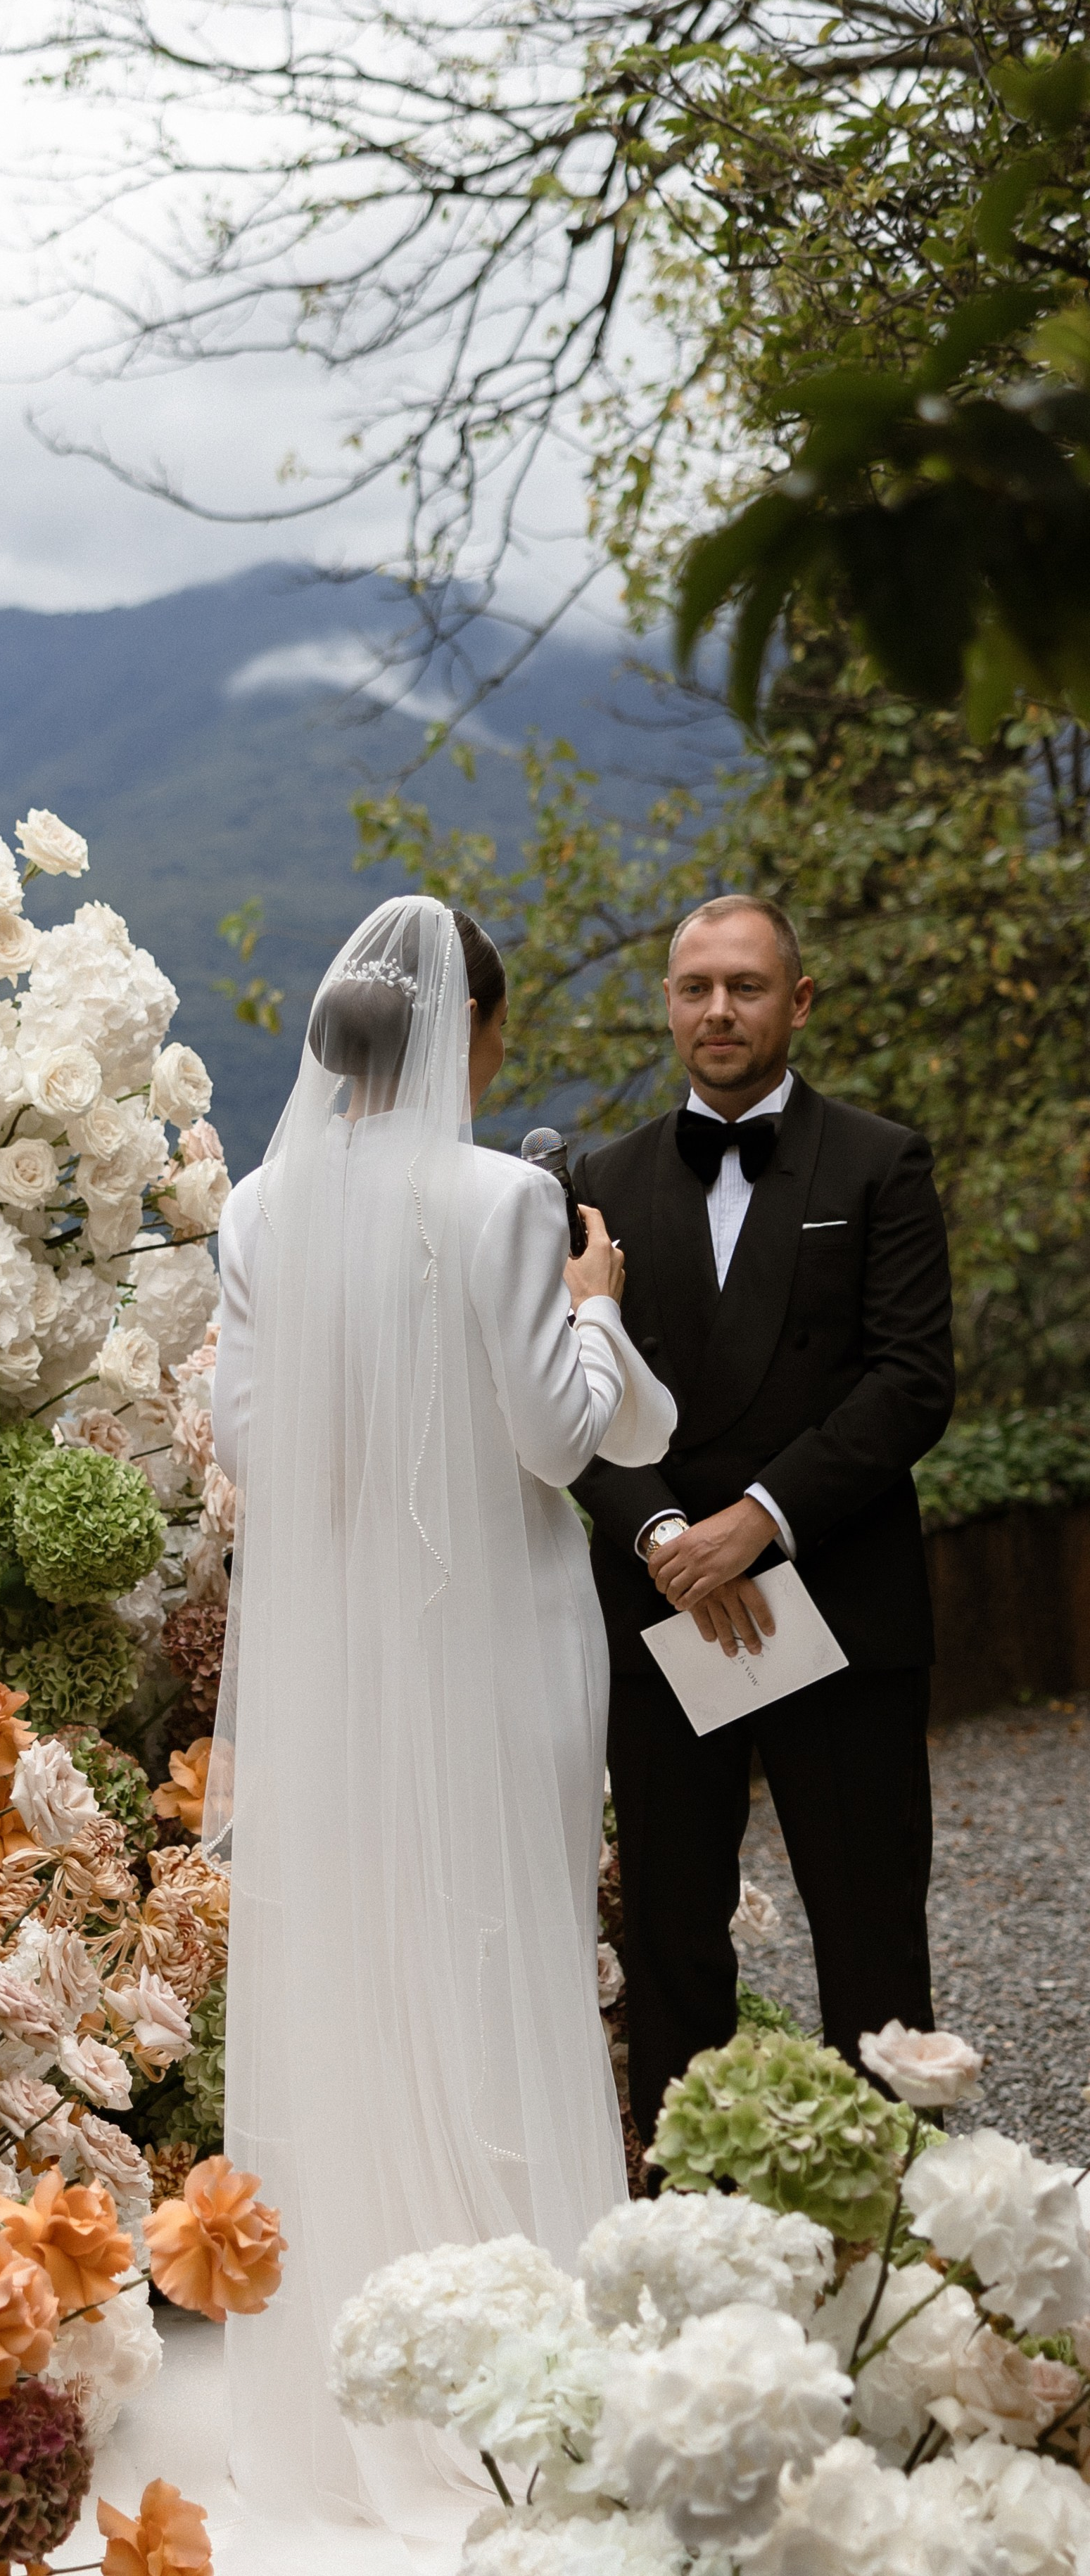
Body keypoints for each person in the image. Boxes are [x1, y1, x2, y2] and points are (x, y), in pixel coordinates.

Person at [208, 895, 675, 2565]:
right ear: (465, 1032)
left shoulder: (259, 1209)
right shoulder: (508, 1198)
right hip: (500, 1645)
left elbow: (250, 1440)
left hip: (344, 1670)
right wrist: (598, 1301)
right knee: (516, 1949)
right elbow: (561, 1445)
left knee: (366, 1960)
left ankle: (371, 2341)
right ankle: (528, 2333)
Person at [568, 893, 954, 2156]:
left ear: (801, 1000)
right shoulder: (601, 1181)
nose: (718, 1011)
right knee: (673, 1936)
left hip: (836, 1600)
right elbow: (576, 1392)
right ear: (668, 1004)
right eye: (695, 988)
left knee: (871, 1936)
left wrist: (759, 1520)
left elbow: (911, 1381)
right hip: (669, 1604)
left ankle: (898, 2231)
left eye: (745, 986)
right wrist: (669, 1534)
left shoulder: (881, 1163)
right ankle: (686, 2228)